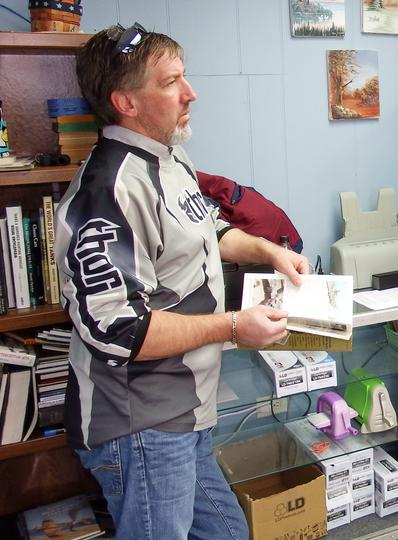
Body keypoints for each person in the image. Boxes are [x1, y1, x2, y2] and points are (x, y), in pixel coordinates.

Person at [54, 22, 310, 540]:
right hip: (140, 425)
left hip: (184, 413)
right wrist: (234, 326)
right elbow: (119, 330)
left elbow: (209, 229)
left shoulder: (169, 158)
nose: (191, 93)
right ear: (126, 102)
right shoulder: (111, 191)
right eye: (171, 82)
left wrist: (270, 250)